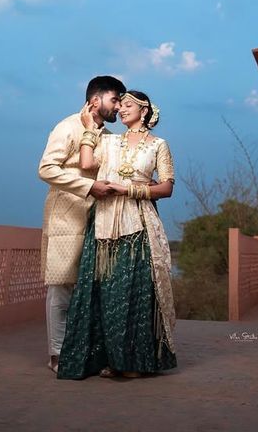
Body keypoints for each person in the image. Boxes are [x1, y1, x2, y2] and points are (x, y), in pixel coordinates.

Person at [57, 90, 177, 379]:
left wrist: (129, 190)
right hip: (103, 223)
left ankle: (134, 362)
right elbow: (87, 164)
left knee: (134, 294)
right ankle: (106, 360)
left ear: (145, 110)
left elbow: (167, 187)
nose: (121, 110)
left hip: (139, 225)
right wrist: (88, 129)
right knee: (104, 294)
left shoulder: (158, 145)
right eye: (120, 105)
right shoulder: (108, 141)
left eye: (128, 105)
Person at [38, 75, 126, 373]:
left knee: (92, 288)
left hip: (99, 216)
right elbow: (46, 168)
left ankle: (85, 352)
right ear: (94, 100)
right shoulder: (68, 126)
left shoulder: (109, 135)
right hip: (67, 214)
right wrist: (88, 188)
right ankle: (57, 355)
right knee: (61, 286)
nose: (118, 106)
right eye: (114, 99)